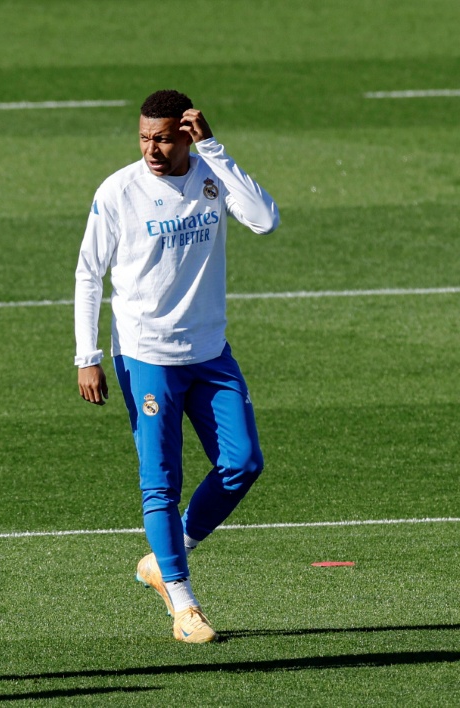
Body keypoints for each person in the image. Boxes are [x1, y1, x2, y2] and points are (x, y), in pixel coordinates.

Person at [74, 89, 280, 643]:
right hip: (146, 356)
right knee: (160, 483)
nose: (152, 150)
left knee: (243, 462)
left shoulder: (211, 175)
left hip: (211, 353)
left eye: (163, 138)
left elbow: (264, 220)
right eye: (144, 138)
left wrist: (216, 148)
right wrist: (86, 356)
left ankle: (165, 559)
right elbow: (89, 273)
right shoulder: (119, 190)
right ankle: (184, 604)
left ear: (186, 134)